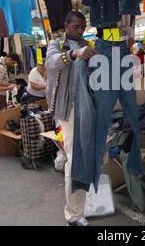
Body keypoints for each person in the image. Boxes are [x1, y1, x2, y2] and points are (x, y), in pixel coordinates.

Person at [46, 11, 95, 226]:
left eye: (83, 27)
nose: (80, 30)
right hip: (69, 108)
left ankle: (80, 207)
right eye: (76, 26)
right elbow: (51, 63)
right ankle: (74, 215)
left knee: (89, 154)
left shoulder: (88, 44)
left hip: (89, 106)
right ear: (66, 25)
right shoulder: (56, 45)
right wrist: (73, 55)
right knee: (76, 159)